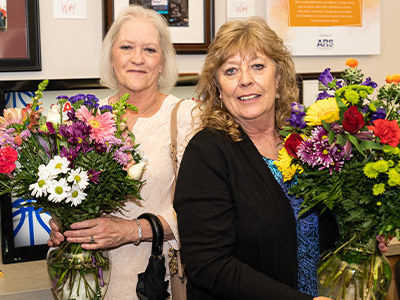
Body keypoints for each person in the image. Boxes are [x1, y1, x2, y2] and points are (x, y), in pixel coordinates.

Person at [173, 17, 390, 300]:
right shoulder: (206, 154)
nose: (245, 80)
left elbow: (330, 218)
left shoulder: (308, 140)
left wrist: (363, 235)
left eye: (258, 66)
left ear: (278, 78)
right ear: (217, 87)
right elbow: (210, 265)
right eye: (230, 71)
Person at [48, 5, 198, 300]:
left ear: (163, 62)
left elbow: (200, 212)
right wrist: (63, 225)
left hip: (155, 283)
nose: (137, 59)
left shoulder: (186, 118)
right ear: (111, 56)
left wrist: (131, 230)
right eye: (127, 47)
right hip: (86, 280)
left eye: (150, 50)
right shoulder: (83, 118)